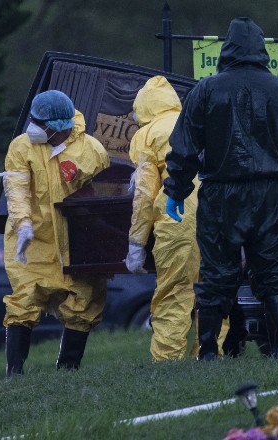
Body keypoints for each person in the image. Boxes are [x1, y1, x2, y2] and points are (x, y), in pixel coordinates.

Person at [163, 18, 278, 361]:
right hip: (271, 193)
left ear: (227, 47)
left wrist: (176, 190)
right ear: (262, 50)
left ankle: (208, 352)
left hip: (221, 193)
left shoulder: (206, 89)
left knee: (216, 272)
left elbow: (184, 148)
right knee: (273, 270)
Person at [1, 90, 109, 375]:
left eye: (46, 125)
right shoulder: (22, 147)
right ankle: (14, 371)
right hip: (34, 239)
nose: (36, 128)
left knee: (83, 299)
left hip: (78, 239)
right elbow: (17, 188)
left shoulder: (92, 150)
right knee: (24, 299)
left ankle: (68, 368)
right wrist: (22, 224)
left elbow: (105, 198)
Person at [124, 76, 200, 361]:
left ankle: (167, 360)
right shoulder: (195, 122)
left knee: (174, 291)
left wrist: (135, 244)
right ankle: (209, 354)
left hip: (176, 217)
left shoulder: (148, 134)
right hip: (216, 218)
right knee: (215, 290)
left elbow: (144, 195)